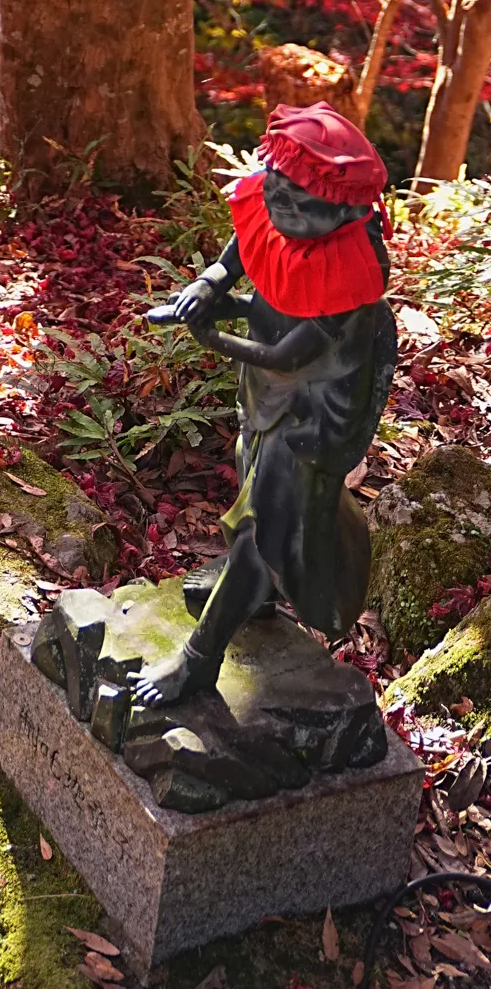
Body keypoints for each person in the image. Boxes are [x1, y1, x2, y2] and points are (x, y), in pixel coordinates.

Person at [135, 103, 396, 710]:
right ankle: (256, 593)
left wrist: (205, 333)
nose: (280, 204)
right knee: (249, 477)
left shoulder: (351, 278)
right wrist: (203, 291)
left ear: (347, 211)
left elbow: (283, 352)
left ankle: (200, 661)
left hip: (311, 418)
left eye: (301, 201)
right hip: (269, 397)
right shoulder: (275, 206)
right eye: (276, 186)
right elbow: (236, 262)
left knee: (264, 527)